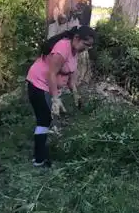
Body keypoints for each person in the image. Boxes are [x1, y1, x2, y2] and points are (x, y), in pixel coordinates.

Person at [26, 26, 96, 167]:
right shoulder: (62, 47)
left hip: (47, 86)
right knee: (44, 119)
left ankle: (40, 156)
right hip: (38, 84)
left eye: (90, 46)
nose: (87, 48)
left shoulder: (75, 52)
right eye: (86, 44)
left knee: (46, 120)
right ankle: (39, 160)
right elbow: (51, 74)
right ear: (76, 38)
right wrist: (55, 98)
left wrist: (76, 95)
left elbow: (71, 79)